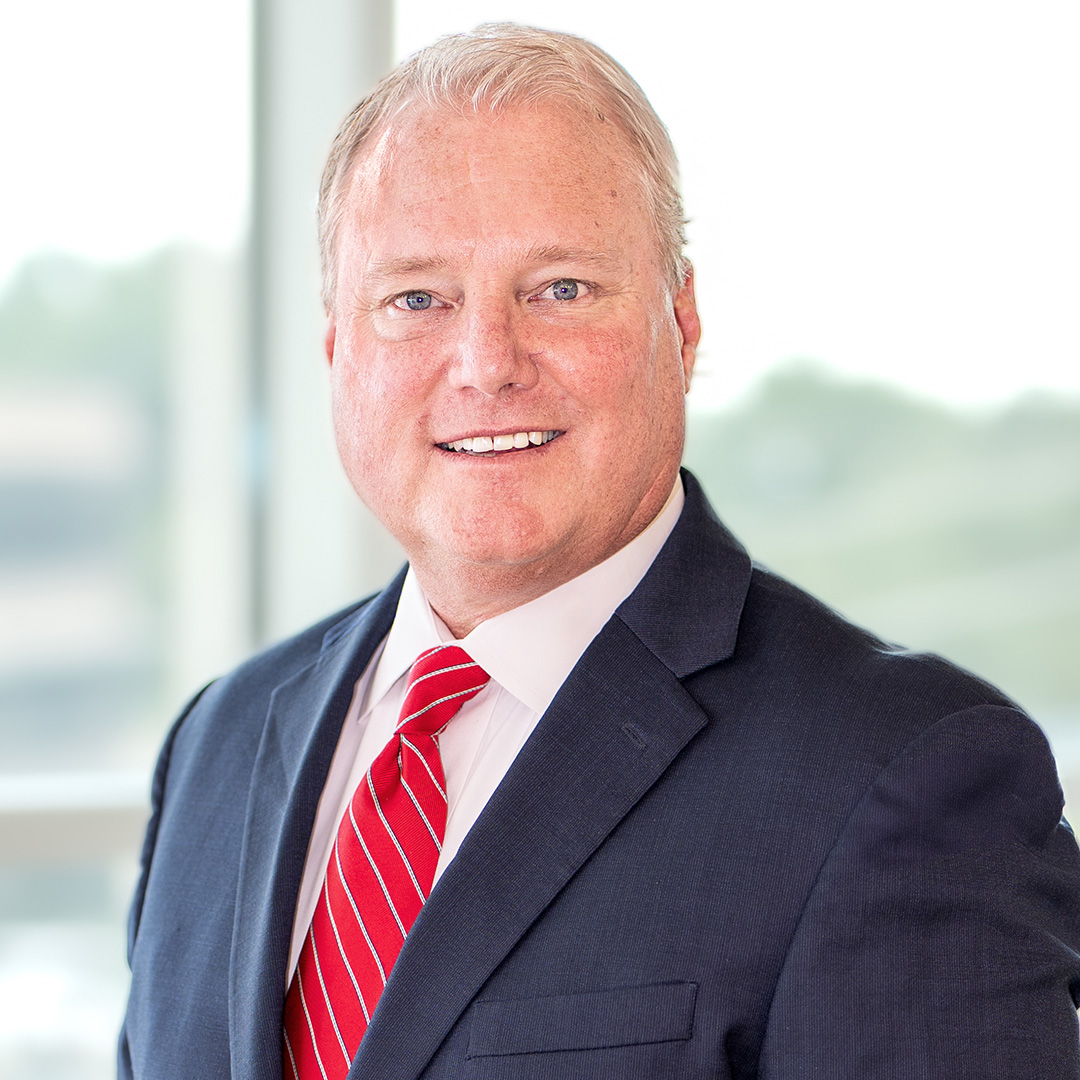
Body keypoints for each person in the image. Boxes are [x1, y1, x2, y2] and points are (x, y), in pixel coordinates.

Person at [119, 23, 1080, 1080]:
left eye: (561, 289)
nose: (486, 363)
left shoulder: (906, 774)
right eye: (416, 300)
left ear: (683, 319)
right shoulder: (220, 741)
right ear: (338, 346)